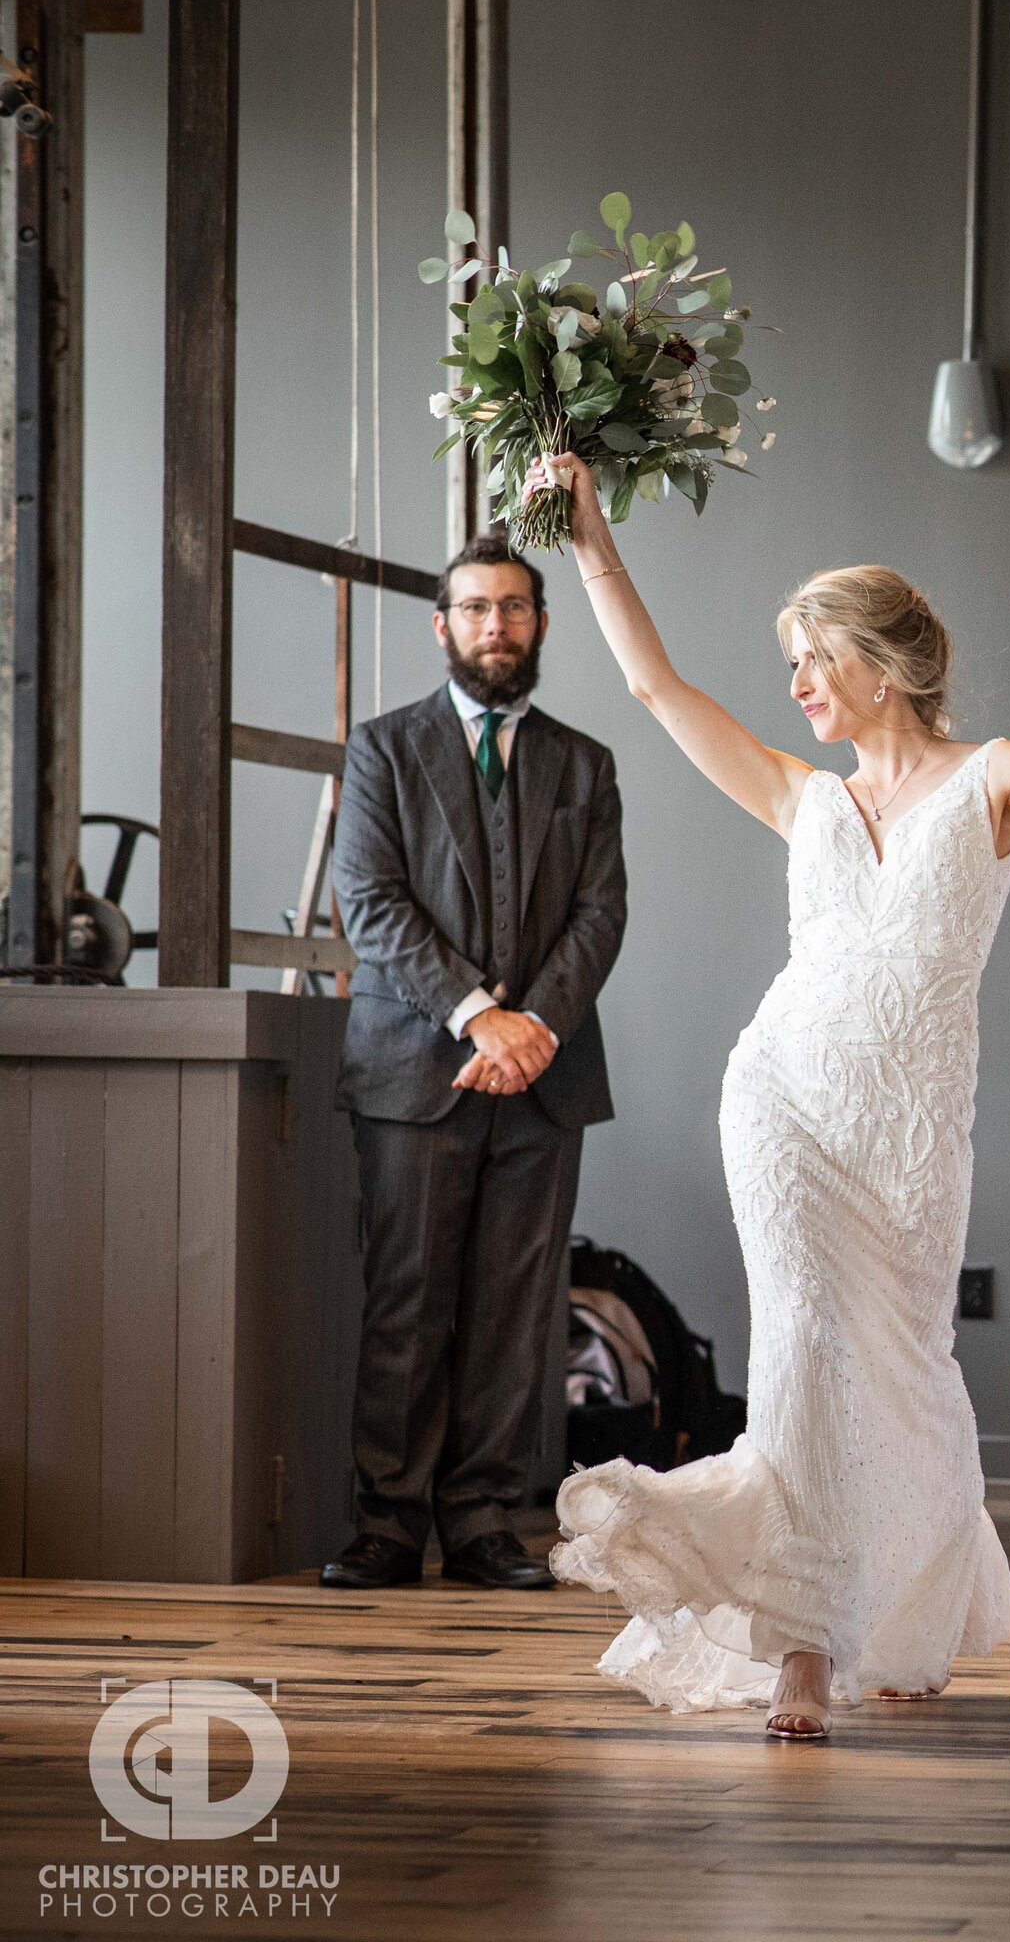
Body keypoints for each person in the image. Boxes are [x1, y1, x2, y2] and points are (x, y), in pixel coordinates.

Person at [530, 452, 1010, 1742]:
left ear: (881, 664)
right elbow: (654, 685)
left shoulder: (992, 775)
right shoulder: (798, 792)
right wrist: (592, 534)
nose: (799, 685)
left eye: (814, 659)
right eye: (794, 666)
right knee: (802, 1348)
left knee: (909, 1368)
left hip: (913, 1135)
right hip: (783, 1104)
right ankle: (804, 1641)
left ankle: (908, 1611)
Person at [322, 532, 628, 1592]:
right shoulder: (382, 750)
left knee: (516, 1305)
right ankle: (390, 1524)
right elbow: (368, 901)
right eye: (474, 607)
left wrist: (530, 1025)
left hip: (545, 1075)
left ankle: (492, 1518)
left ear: (540, 621)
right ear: (442, 625)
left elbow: (600, 913)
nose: (494, 625)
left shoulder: (584, 764)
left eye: (513, 606)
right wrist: (474, 1016)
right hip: (414, 1074)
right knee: (407, 1299)